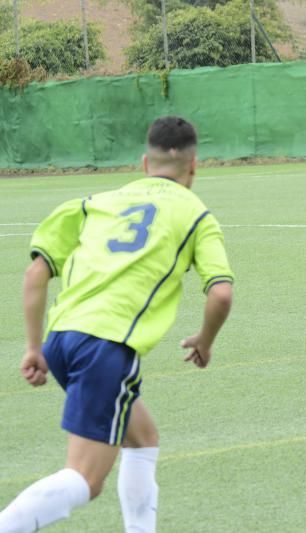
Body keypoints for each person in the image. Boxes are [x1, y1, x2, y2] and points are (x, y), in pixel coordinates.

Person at [0, 116, 234, 533]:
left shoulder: (95, 201)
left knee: (142, 439)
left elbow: (36, 273)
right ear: (195, 165)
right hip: (105, 347)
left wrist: (34, 348)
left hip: (61, 339)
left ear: (145, 162)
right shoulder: (197, 217)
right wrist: (205, 340)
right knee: (86, 480)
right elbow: (220, 293)